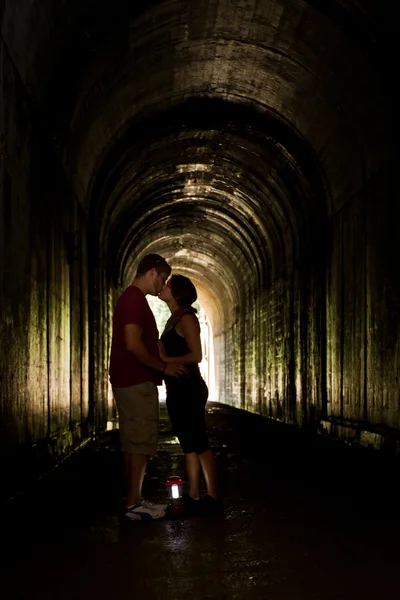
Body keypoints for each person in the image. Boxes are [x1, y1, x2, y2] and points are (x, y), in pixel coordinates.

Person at [109, 254, 186, 521]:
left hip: (131, 379)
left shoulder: (133, 299)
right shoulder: (133, 300)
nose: (161, 284)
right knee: (141, 443)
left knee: (134, 443)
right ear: (152, 272)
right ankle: (133, 504)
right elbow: (132, 344)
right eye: (162, 278)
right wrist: (163, 368)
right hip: (135, 380)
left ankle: (135, 500)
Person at [158, 274, 223, 515]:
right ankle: (194, 495)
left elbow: (196, 356)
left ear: (176, 293)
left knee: (200, 442)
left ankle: (214, 496)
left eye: (167, 284)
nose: (162, 286)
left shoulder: (187, 319)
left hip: (190, 388)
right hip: (176, 389)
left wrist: (165, 359)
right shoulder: (173, 318)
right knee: (188, 444)